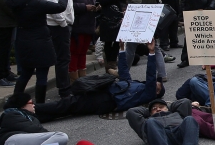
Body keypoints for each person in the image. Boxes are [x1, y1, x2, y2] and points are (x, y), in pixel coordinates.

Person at [34, 41, 165, 122]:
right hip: (104, 91)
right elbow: (124, 73)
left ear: (156, 93)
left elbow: (150, 76)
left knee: (69, 104)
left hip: (107, 99)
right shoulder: (137, 85)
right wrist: (122, 49)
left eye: (157, 86)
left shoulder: (147, 94)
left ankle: (32, 110)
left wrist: (151, 52)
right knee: (69, 106)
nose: (154, 84)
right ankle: (38, 116)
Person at [6, 0, 68, 103]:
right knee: (42, 75)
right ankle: (40, 104)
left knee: (25, 74)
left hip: (23, 39)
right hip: (40, 40)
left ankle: (15, 101)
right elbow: (60, 7)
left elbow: (27, 3)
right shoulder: (36, 4)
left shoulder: (13, 2)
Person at [0, 92, 69, 145]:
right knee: (61, 136)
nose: (34, 105)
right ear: (22, 105)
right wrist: (52, 137)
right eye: (31, 102)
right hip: (12, 142)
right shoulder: (11, 114)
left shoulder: (31, 117)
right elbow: (33, 129)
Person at [67, 0, 97, 83]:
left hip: (88, 25)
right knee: (75, 53)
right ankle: (74, 80)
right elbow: (69, 6)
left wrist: (96, 7)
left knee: (83, 52)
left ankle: (83, 78)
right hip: (77, 26)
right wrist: (84, 7)